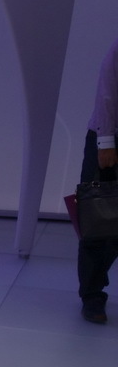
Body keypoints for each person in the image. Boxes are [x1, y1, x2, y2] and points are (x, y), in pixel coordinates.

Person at [79, 38, 118, 324]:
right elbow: (107, 90)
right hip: (110, 139)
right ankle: (92, 294)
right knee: (98, 219)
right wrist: (105, 142)